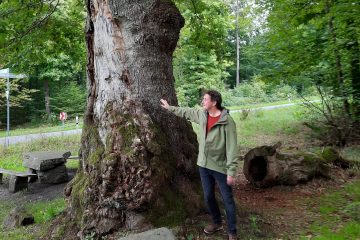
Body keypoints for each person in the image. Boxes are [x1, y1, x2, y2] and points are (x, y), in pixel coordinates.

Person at [160, 90, 238, 240]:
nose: (203, 102)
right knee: (208, 197)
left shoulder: (227, 121)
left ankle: (232, 232)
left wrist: (231, 171)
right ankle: (217, 223)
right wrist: (170, 108)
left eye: (205, 99)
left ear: (214, 102)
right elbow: (186, 112)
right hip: (203, 165)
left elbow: (232, 147)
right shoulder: (202, 115)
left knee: (227, 199)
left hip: (221, 167)